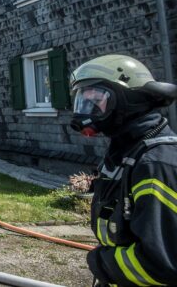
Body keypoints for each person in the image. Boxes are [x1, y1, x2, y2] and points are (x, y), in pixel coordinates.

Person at [70, 54, 177, 286]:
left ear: (126, 99)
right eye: (83, 100)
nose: (86, 111)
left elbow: (161, 264)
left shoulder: (155, 165)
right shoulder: (125, 153)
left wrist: (100, 263)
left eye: (96, 100)